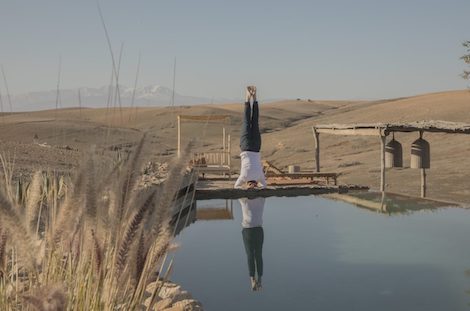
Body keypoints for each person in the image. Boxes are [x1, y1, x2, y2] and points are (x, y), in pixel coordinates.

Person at [234, 86, 267, 189]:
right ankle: (249, 98)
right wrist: (247, 188)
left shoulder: (259, 177)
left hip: (254, 147)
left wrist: (255, 187)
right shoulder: (244, 177)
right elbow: (236, 187)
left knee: (253, 122)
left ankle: (252, 98)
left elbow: (264, 186)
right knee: (248, 122)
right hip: (247, 147)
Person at [239, 197, 265, 291]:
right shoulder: (243, 199)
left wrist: (256, 182)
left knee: (258, 255)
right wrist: (246, 182)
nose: (252, 185)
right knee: (250, 255)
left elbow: (263, 184)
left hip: (258, 229)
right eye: (250, 183)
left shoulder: (260, 199)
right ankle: (252, 278)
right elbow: (237, 185)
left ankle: (260, 279)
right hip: (247, 230)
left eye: (253, 183)